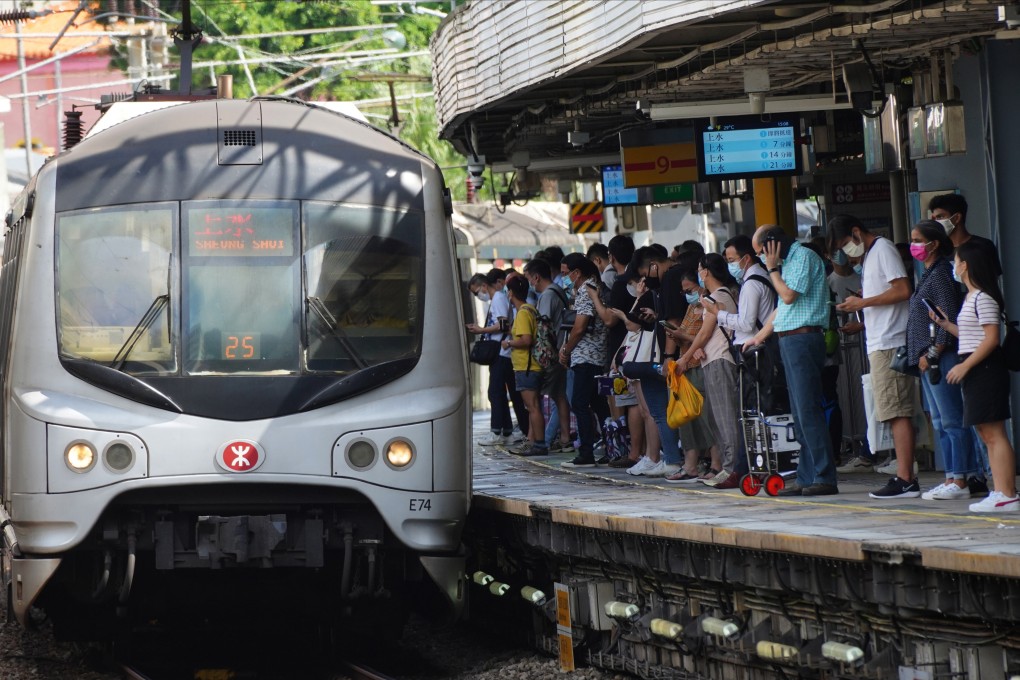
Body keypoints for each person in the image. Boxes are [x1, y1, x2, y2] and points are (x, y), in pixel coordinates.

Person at [829, 215, 918, 500]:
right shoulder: (870, 257)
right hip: (880, 340)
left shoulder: (883, 249)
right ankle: (904, 474)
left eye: (845, 244)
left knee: (897, 411)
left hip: (891, 342)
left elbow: (903, 290)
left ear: (856, 232)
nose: (845, 252)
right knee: (891, 411)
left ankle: (905, 478)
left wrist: (863, 302)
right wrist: (862, 313)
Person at [744, 226, 837, 496]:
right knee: (798, 414)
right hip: (788, 339)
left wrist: (772, 269)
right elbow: (782, 310)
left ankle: (824, 476)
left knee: (808, 410)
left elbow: (787, 296)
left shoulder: (803, 257)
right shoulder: (789, 263)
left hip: (803, 339)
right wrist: (758, 337)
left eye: (762, 251)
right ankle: (807, 476)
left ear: (773, 244)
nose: (762, 258)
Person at [933, 240, 1018, 512]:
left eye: (956, 261)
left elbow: (991, 339)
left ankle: (1007, 493)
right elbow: (973, 336)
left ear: (965, 265)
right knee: (985, 432)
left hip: (985, 369)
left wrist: (965, 366)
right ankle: (1000, 491)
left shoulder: (984, 297)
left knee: (994, 433)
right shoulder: (972, 297)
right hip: (976, 367)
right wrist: (947, 325)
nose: (953, 266)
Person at [904, 220, 977, 500]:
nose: (915, 246)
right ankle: (950, 476)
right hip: (927, 360)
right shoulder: (929, 274)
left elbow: (947, 319)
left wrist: (932, 353)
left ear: (934, 243)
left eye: (918, 240)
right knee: (939, 421)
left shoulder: (942, 275)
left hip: (939, 358)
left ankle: (960, 477)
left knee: (951, 419)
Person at [685, 254, 742, 489]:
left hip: (720, 361)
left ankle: (733, 468)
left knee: (725, 418)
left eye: (699, 269)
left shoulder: (719, 297)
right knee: (715, 418)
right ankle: (728, 467)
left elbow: (705, 333)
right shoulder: (715, 297)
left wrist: (684, 358)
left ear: (705, 271)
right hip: (712, 360)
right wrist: (697, 351)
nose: (699, 273)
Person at [559, 253, 609, 468]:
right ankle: (612, 447)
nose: (563, 278)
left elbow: (580, 327)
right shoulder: (591, 286)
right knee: (599, 404)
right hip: (596, 355)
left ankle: (586, 453)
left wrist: (567, 350)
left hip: (586, 356)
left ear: (576, 272)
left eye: (565, 274)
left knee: (579, 403)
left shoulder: (586, 291)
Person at [467, 269, 527, 445]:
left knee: (495, 392)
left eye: (477, 292)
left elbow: (502, 324)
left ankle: (496, 432)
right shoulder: (497, 299)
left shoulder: (498, 298)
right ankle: (507, 431)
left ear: (484, 285)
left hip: (502, 351)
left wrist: (481, 330)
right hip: (502, 352)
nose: (478, 296)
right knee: (501, 392)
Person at [523, 258, 573, 454]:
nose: (529, 283)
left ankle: (541, 439)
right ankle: (565, 438)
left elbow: (543, 328)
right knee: (559, 396)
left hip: (551, 353)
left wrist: (540, 356)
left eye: (528, 278)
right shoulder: (558, 291)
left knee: (542, 397)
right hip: (561, 350)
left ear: (536, 277)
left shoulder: (546, 296)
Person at [501, 275, 548, 456]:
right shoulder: (531, 309)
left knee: (533, 406)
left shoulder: (522, 313)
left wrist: (509, 343)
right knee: (533, 406)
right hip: (533, 365)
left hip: (527, 366)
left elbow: (526, 340)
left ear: (511, 292)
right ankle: (532, 441)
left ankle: (540, 445)